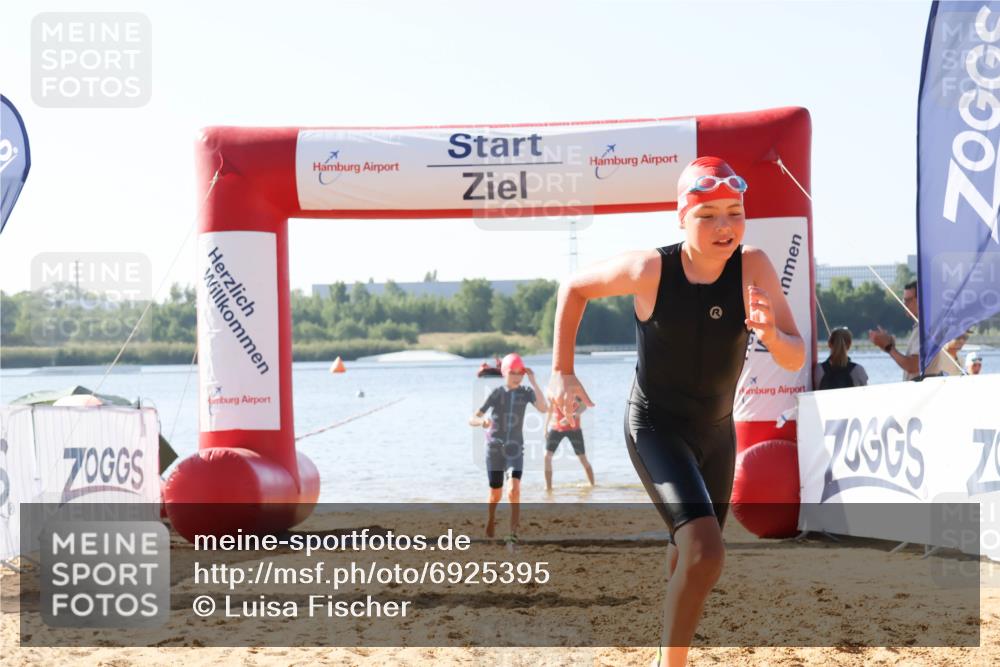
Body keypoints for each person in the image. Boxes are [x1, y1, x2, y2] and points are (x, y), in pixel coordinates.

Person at [546, 156, 804, 667]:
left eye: (734, 212)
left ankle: (668, 647)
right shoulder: (650, 270)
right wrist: (562, 371)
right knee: (706, 553)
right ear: (681, 217)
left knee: (689, 550)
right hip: (655, 429)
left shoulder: (753, 265)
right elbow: (572, 288)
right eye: (707, 214)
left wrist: (770, 333)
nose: (724, 226)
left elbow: (794, 355)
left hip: (716, 433)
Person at [469, 352, 546, 540]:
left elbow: (544, 408)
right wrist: (482, 422)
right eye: (513, 372)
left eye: (520, 372)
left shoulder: (527, 392)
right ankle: (491, 518)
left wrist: (534, 382)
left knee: (514, 490)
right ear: (505, 373)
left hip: (515, 449)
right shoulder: (497, 394)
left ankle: (513, 533)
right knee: (496, 494)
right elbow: (472, 419)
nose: (517, 376)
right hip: (494, 449)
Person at [868, 280, 949, 380]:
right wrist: (890, 346)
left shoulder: (925, 328)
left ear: (922, 299)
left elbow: (913, 366)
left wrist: (888, 347)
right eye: (903, 300)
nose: (904, 304)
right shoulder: (927, 326)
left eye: (908, 300)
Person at [543, 397, 595, 491]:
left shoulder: (574, 387)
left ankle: (592, 486)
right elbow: (551, 408)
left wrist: (572, 416)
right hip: (557, 427)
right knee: (547, 457)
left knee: (583, 458)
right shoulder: (553, 388)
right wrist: (545, 427)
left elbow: (584, 405)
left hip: (574, 428)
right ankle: (548, 489)